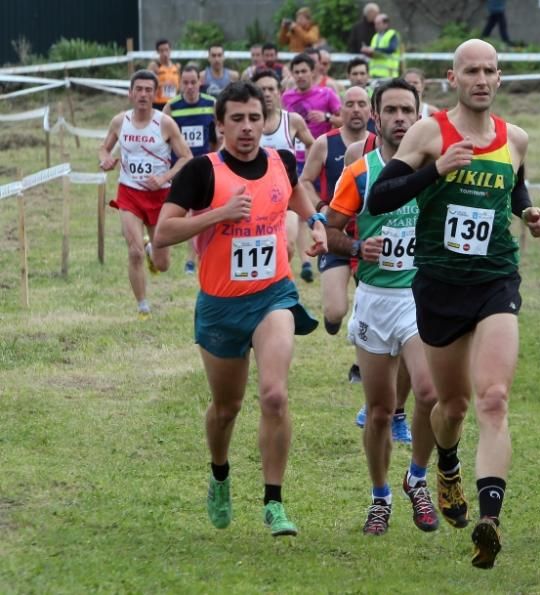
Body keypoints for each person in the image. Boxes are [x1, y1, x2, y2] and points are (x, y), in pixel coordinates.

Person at [367, 39, 540, 569]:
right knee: (451, 408)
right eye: (471, 70)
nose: (481, 78)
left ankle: (489, 520)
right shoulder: (429, 133)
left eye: (489, 70)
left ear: (499, 79)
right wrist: (435, 170)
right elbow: (380, 198)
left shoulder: (514, 138)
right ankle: (444, 465)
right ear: (453, 77)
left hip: (496, 280)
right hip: (440, 286)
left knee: (493, 398)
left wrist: (531, 213)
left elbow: (514, 188)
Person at [153, 80, 328, 538]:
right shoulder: (201, 172)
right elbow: (163, 234)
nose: (247, 128)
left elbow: (291, 193)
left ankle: (274, 502)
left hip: (273, 296)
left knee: (274, 394)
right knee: (226, 407)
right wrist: (217, 214)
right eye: (237, 119)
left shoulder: (281, 160)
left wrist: (314, 222)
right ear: (220, 124)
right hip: (220, 307)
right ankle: (219, 474)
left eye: (254, 118)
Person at [326, 78, 439, 535]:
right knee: (379, 410)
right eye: (389, 110)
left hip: (419, 298)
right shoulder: (361, 172)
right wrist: (356, 245)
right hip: (375, 300)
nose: (398, 118)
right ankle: (380, 497)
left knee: (430, 394)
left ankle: (417, 478)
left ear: (418, 116)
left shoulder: (433, 170)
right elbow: (330, 229)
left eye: (405, 111)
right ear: (376, 117)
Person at [98, 70, 191, 318]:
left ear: (155, 94)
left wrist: (163, 177)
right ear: (130, 93)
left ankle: (153, 251)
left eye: (148, 90)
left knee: (162, 264)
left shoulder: (165, 123)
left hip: (160, 197)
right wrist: (105, 160)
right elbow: (103, 148)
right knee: (134, 251)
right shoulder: (120, 122)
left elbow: (186, 157)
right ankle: (142, 306)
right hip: (129, 193)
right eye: (138, 89)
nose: (143, 94)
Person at [300, 86, 376, 352]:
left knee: (369, 307)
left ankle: (361, 362)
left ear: (371, 111)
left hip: (370, 233)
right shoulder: (325, 143)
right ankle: (333, 320)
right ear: (340, 110)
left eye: (361, 104)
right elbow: (305, 181)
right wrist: (322, 207)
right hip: (336, 232)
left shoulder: (380, 143)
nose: (356, 110)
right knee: (335, 311)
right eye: (350, 104)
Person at [253, 69, 316, 280]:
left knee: (286, 244)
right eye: (262, 90)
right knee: (260, 246)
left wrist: (305, 175)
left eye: (271, 89)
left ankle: (278, 282)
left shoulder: (293, 121)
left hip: (286, 195)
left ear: (280, 92)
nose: (267, 94)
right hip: (255, 197)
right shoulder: (248, 124)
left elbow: (313, 147)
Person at [165, 65, 218, 274]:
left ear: (199, 82)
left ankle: (192, 259)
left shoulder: (211, 104)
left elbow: (216, 137)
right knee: (184, 216)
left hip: (204, 167)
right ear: (180, 84)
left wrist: (213, 157)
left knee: (201, 213)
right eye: (185, 83)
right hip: (180, 168)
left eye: (193, 82)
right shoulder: (171, 107)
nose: (189, 87)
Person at [283, 53, 343, 142]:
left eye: (304, 71)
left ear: (312, 72)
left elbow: (345, 122)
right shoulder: (286, 97)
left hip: (321, 148)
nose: (300, 75)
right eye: (297, 72)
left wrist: (327, 117)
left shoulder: (327, 93)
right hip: (296, 150)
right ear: (292, 74)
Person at [363, 14, 402, 81]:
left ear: (386, 24)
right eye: (375, 24)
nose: (376, 26)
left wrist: (374, 49)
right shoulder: (375, 36)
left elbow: (391, 49)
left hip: (389, 74)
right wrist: (367, 52)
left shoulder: (392, 34)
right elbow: (374, 53)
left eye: (378, 24)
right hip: (374, 74)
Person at [147, 39, 179, 110]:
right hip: (158, 104)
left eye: (167, 50)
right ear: (158, 52)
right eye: (162, 51)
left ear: (170, 50)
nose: (165, 53)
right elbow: (147, 83)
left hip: (172, 102)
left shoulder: (176, 66)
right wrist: (163, 84)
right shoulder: (154, 66)